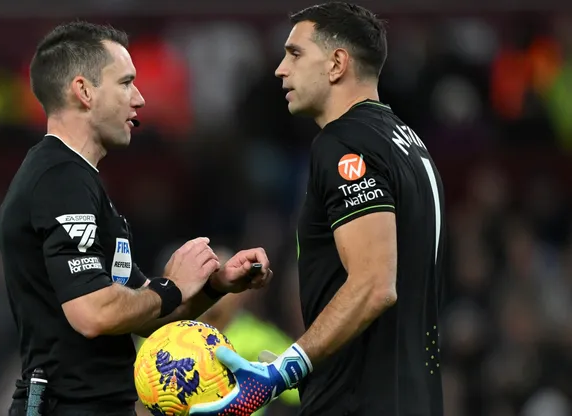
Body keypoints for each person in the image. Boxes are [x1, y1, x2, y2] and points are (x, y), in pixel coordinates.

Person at [0, 21, 273, 416]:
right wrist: (173, 287)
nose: (140, 98)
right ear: (84, 91)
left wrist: (213, 287)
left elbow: (147, 313)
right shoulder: (59, 180)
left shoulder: (79, 181)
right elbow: (93, 313)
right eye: (126, 82)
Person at [190, 3, 446, 416]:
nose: (279, 68)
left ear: (336, 63)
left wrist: (285, 370)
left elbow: (375, 283)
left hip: (357, 403)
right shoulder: (408, 142)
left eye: (294, 54)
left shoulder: (344, 141)